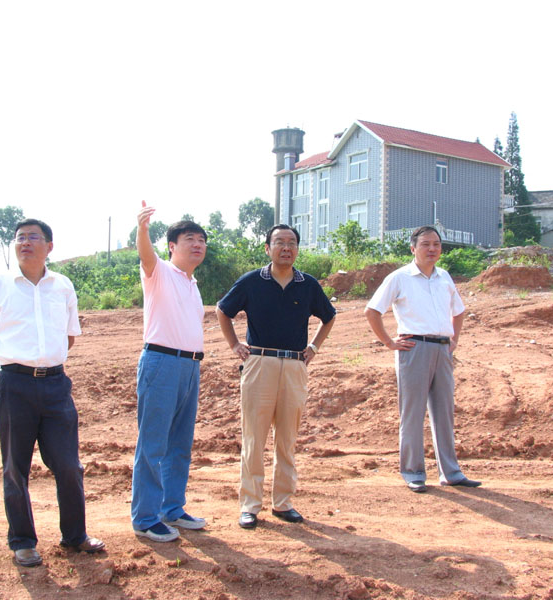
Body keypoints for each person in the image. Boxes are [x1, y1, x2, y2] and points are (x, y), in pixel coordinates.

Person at [0, 218, 104, 568]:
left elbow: (69, 336)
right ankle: (23, 542)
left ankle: (75, 535)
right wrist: (11, 368)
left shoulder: (62, 286)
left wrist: (45, 364)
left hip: (56, 385)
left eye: (33, 237)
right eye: (20, 238)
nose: (25, 242)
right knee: (15, 467)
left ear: (49, 246)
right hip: (14, 385)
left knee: (69, 465)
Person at [216, 224, 336, 529]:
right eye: (279, 242)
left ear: (297, 249)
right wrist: (234, 344)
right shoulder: (252, 281)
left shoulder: (308, 284)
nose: (286, 248)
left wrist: (314, 348)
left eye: (292, 243)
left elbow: (329, 316)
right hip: (259, 363)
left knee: (287, 438)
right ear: (267, 248)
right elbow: (223, 310)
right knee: (254, 437)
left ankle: (283, 503)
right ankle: (250, 505)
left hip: (295, 365)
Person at [364, 225, 481, 493]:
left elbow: (459, 311)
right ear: (413, 248)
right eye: (426, 244)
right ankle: (413, 471)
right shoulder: (399, 278)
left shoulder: (444, 277)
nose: (432, 249)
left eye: (436, 244)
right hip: (413, 348)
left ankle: (451, 472)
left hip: (442, 350)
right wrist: (389, 342)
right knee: (413, 413)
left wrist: (454, 340)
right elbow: (372, 311)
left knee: (444, 412)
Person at [131, 201, 208, 542]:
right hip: (161, 363)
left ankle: (172, 508)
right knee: (153, 444)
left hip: (190, 366)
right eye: (190, 239)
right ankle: (146, 518)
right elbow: (146, 255)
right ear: (172, 246)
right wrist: (142, 229)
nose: (197, 244)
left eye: (201, 240)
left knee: (180, 444)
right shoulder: (159, 271)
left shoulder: (192, 283)